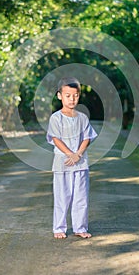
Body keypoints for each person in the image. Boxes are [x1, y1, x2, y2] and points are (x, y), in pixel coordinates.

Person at [46, 77, 97, 239]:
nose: (72, 99)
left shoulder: (82, 118)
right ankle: (59, 228)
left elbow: (87, 138)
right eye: (68, 95)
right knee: (62, 196)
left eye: (75, 96)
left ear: (79, 96)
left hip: (81, 164)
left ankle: (80, 227)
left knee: (81, 197)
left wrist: (78, 154)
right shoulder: (56, 118)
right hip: (63, 163)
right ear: (60, 96)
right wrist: (70, 154)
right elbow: (56, 139)